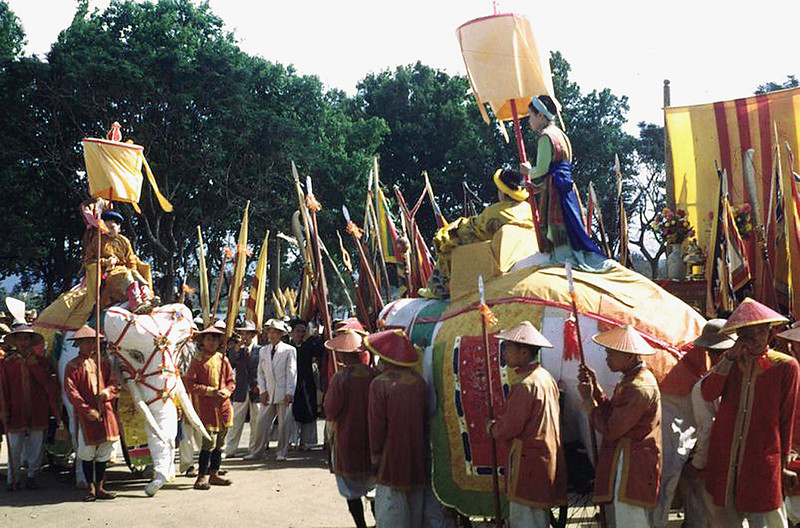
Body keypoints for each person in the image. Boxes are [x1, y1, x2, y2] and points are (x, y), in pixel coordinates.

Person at [701, 298, 799, 527]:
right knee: (724, 516)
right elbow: (708, 393)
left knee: (769, 518)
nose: (754, 339)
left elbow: (787, 416)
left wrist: (784, 461)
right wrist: (729, 359)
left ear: (769, 334)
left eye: (760, 332)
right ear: (739, 336)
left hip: (763, 457)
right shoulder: (729, 362)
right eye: (747, 334)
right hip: (725, 455)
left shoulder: (785, 366)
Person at [578, 324, 662, 527]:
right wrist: (595, 389)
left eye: (612, 354)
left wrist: (589, 404)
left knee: (630, 519)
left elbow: (611, 428)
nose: (607, 359)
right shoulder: (631, 380)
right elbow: (613, 412)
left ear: (630, 356)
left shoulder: (637, 387)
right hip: (628, 459)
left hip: (633, 464)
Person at [488, 321, 566, 528]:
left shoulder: (525, 384)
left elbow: (511, 426)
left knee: (526, 517)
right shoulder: (545, 377)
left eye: (508, 348)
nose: (505, 354)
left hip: (528, 460)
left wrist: (493, 428)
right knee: (536, 516)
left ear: (524, 352)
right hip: (544, 454)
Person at [522, 95, 608, 270]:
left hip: (555, 189)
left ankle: (563, 258)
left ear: (541, 115)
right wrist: (540, 187)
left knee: (559, 228)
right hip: (566, 186)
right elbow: (558, 167)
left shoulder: (545, 136)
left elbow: (542, 169)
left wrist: (527, 171)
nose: (529, 120)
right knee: (571, 223)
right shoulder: (562, 135)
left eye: (531, 115)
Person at [421, 166, 534, 299]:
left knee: (448, 241)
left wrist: (452, 230)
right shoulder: (529, 210)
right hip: (522, 255)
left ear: (503, 193)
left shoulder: (495, 212)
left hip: (491, 258)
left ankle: (440, 288)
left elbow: (474, 230)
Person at [366, 329, 427, 528]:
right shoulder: (419, 382)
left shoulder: (379, 384)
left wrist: (375, 456)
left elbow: (376, 425)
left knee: (391, 506)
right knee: (415, 506)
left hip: (391, 453)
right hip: (418, 451)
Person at [323, 331, 378, 528]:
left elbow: (330, 410)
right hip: (373, 438)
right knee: (374, 489)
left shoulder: (341, 378)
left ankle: (361, 525)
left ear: (344, 354)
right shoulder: (374, 375)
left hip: (348, 437)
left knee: (350, 489)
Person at [63, 325, 120, 501]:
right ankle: (91, 489)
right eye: (86, 342)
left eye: (92, 342)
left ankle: (101, 487)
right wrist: (87, 410)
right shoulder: (72, 366)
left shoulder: (104, 363)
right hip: (86, 415)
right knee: (87, 452)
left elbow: (114, 382)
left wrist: (107, 393)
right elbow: (72, 392)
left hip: (106, 411)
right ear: (78, 344)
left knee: (104, 451)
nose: (90, 345)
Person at [1, 325, 59, 491]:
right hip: (15, 410)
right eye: (20, 339)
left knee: (36, 445)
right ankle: (13, 478)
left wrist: (34, 366)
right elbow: (3, 388)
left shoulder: (41, 362)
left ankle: (32, 475)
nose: (23, 342)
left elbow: (48, 384)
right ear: (15, 342)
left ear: (31, 341)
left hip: (37, 408)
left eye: (26, 339)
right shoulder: (7, 363)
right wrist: (3, 409)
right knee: (14, 446)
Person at [184, 322, 235, 490]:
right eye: (208, 339)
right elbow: (190, 384)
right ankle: (201, 476)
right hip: (206, 408)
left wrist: (226, 391)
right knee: (208, 444)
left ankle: (214, 473)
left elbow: (231, 381)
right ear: (203, 341)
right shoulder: (197, 361)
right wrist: (210, 391)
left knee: (220, 444)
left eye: (215, 339)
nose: (212, 342)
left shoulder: (223, 359)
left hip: (223, 407)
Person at [83, 209, 156, 313]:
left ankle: (147, 297)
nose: (108, 230)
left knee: (135, 274)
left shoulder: (124, 241)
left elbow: (130, 259)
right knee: (125, 274)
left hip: (125, 269)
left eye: (112, 227)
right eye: (106, 227)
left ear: (119, 227)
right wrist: (105, 262)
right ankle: (135, 302)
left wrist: (132, 269)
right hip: (108, 273)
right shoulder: (97, 241)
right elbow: (88, 261)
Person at [248, 318, 296, 461]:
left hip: (283, 391)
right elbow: (260, 372)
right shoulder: (263, 350)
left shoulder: (289, 350)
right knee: (261, 423)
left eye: (275, 332)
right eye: (270, 332)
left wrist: (289, 392)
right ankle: (258, 451)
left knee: (284, 425)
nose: (272, 335)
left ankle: (281, 452)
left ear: (281, 334)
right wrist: (262, 390)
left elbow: (292, 372)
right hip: (268, 392)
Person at [224, 320, 260, 458]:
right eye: (242, 334)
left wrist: (260, 385)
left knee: (256, 421)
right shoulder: (235, 350)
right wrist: (236, 350)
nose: (245, 337)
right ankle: (230, 449)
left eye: (247, 334)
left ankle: (254, 449)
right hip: (241, 389)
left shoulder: (260, 350)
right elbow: (230, 364)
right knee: (236, 420)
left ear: (253, 335)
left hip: (256, 389)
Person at [289, 318, 324, 450]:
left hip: (307, 384)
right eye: (297, 331)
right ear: (292, 332)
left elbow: (319, 351)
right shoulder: (287, 347)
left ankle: (307, 441)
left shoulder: (309, 345)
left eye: (303, 331)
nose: (300, 334)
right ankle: (292, 440)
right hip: (292, 384)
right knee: (292, 413)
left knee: (308, 411)